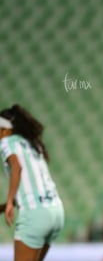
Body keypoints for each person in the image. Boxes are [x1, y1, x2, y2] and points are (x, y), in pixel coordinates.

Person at [0, 104, 65, 261]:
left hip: (35, 215)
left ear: (6, 130)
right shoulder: (32, 144)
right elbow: (30, 187)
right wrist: (4, 206)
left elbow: (17, 168)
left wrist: (9, 202)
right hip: (56, 212)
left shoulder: (6, 143)